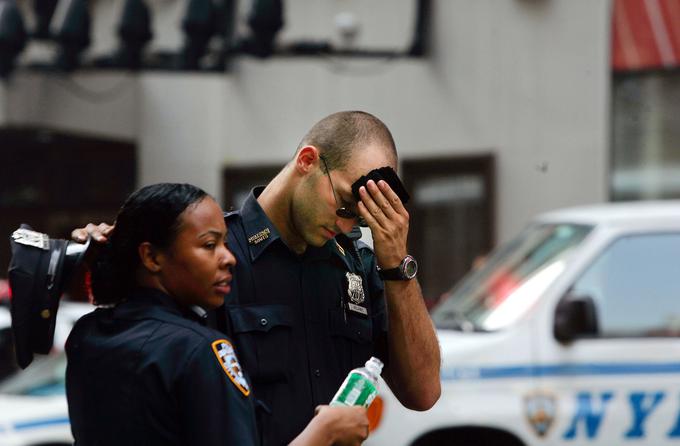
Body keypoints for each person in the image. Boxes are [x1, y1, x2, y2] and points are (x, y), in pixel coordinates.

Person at [74, 111, 441, 445]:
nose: (347, 224)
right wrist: (112, 249)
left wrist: (397, 267)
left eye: (361, 219)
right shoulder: (213, 258)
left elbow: (422, 393)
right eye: (344, 204)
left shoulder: (357, 265)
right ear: (307, 160)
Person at [66, 183, 369, 446]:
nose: (229, 258)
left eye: (224, 243)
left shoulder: (87, 332)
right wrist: (326, 431)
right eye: (209, 245)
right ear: (151, 256)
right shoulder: (199, 351)